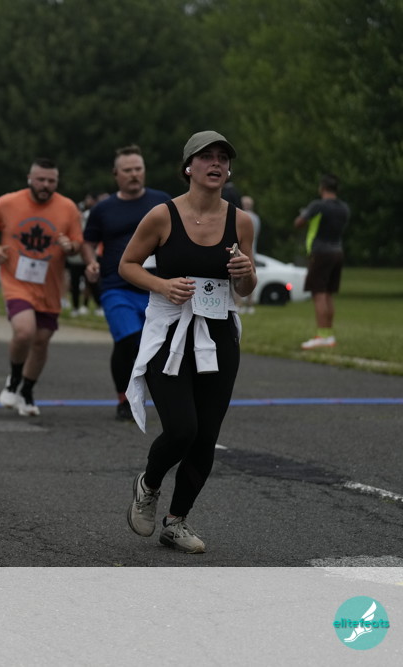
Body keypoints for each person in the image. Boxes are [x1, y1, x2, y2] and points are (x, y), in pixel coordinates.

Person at [120, 131, 257, 554]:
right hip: (170, 333)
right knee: (182, 429)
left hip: (218, 336)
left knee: (205, 436)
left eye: (222, 158)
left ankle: (176, 522)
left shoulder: (241, 221)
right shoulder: (162, 216)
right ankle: (149, 484)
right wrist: (162, 285)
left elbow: (245, 288)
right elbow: (127, 265)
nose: (215, 163)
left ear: (228, 170)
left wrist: (246, 273)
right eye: (206, 157)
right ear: (188, 167)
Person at [0, 157, 83, 416]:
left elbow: (77, 243)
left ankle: (27, 390)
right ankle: (13, 380)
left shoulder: (68, 208)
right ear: (30, 179)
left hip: (49, 285)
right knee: (25, 332)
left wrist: (70, 247)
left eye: (51, 181)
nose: (46, 185)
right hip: (17, 280)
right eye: (41, 179)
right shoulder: (9, 202)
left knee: (41, 341)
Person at [81, 145, 171, 421]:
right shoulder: (103, 209)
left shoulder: (162, 202)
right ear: (116, 174)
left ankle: (156, 398)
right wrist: (90, 262)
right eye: (128, 170)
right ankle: (126, 398)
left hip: (156, 287)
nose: (134, 174)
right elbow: (88, 241)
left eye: (138, 169)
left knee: (154, 345)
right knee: (130, 340)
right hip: (116, 286)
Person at [294, 174, 349, 349]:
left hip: (321, 252)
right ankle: (329, 335)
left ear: (322, 188)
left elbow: (299, 223)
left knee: (318, 293)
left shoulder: (318, 205)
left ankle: (322, 336)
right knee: (328, 293)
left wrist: (303, 214)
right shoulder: (344, 208)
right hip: (337, 250)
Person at [236, 195, 261, 314]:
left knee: (238, 276)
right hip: (253, 251)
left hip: (241, 249)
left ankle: (239, 304)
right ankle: (250, 305)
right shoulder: (256, 218)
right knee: (251, 276)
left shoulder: (240, 216)